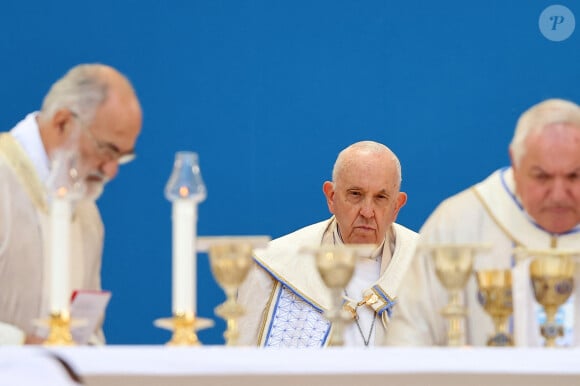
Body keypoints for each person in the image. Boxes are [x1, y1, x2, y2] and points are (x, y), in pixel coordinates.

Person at [386, 98, 580, 347]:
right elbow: (408, 341)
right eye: (542, 176)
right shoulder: (457, 225)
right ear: (515, 162)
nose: (558, 194)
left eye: (575, 176)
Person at [0, 64, 142, 344]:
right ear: (62, 121)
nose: (111, 171)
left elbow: (87, 333)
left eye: (122, 157)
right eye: (107, 149)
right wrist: (21, 343)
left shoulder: (86, 211)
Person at [237, 140, 419, 347]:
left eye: (380, 197)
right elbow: (243, 366)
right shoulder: (274, 266)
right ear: (331, 197)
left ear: (397, 206)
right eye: (355, 195)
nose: (367, 212)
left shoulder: (426, 265)